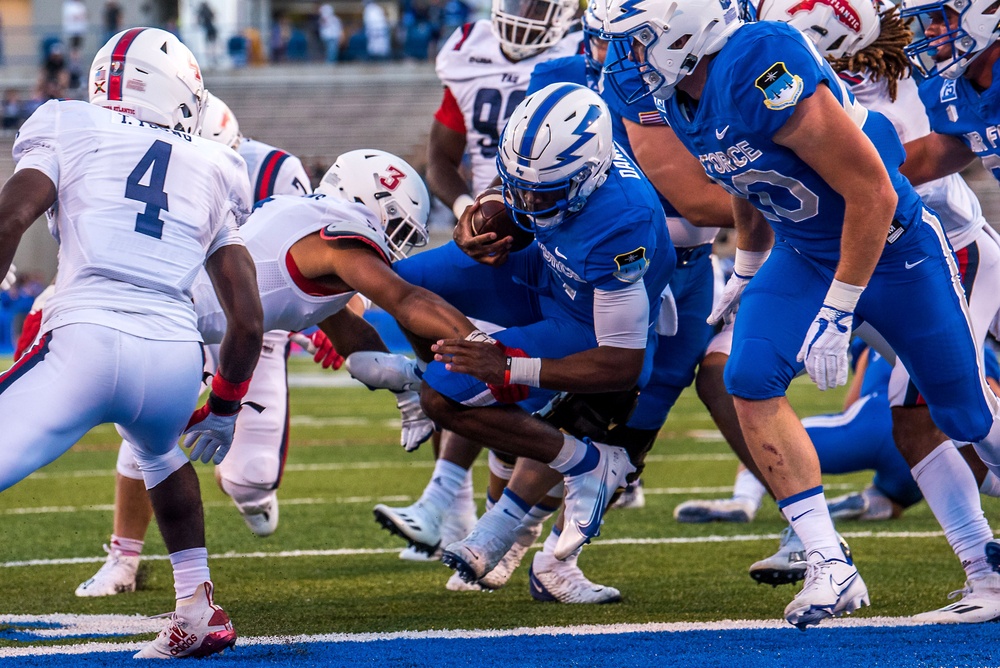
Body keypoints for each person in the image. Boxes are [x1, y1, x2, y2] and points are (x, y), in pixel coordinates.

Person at [602, 0, 1000, 629]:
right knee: (746, 377)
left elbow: (873, 190)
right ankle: (829, 563)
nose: (627, 55)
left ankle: (986, 564)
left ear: (687, 28)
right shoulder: (684, 89)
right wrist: (747, 269)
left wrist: (838, 312)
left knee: (963, 413)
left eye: (639, 39)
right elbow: (749, 185)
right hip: (806, 251)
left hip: (895, 250)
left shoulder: (759, 58)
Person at [0, 27, 263, 658]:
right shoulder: (216, 162)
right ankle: (197, 608)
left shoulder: (67, 122)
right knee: (160, 455)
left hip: (87, 338)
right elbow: (247, 318)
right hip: (174, 356)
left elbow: (12, 218)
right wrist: (224, 409)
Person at [394, 83, 673, 589]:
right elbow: (510, 193)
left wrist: (507, 369)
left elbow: (621, 365)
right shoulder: (545, 163)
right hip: (539, 265)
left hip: (582, 320)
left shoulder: (620, 223)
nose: (524, 201)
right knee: (405, 286)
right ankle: (431, 379)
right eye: (517, 183)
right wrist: (471, 223)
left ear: (588, 178)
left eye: (538, 193)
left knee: (444, 396)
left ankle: (587, 462)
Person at [73, 93, 318, 597]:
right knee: (142, 423)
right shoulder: (148, 157)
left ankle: (247, 489)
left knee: (251, 481)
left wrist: (330, 318)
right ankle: (124, 557)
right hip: (175, 310)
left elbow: (313, 249)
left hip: (255, 326)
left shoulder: (275, 170)